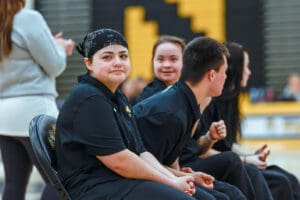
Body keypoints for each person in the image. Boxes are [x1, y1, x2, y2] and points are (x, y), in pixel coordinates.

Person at [54, 28, 225, 200]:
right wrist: (172, 183)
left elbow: (140, 152)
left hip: (117, 181)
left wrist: (175, 177)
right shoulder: (89, 98)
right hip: (93, 188)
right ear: (89, 63)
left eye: (123, 56)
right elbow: (120, 162)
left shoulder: (117, 96)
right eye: (107, 57)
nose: (117, 62)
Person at [136, 35, 272, 200]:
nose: (226, 77)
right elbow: (144, 165)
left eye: (173, 59)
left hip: (169, 172)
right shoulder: (168, 113)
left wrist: (183, 173)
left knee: (233, 192)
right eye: (224, 72)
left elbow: (170, 158)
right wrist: (180, 177)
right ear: (212, 75)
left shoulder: (187, 102)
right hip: (144, 181)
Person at [199, 41, 300, 200]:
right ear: (234, 69)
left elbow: (226, 146)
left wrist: (251, 155)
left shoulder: (230, 102)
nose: (249, 72)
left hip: (230, 163)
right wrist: (247, 159)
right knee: (280, 182)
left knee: (290, 179)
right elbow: (201, 151)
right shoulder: (211, 102)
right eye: (245, 66)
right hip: (220, 167)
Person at [0, 1, 74, 199]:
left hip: (4, 116)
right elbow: (55, 65)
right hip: (34, 112)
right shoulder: (28, 18)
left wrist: (50, 43)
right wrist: (59, 48)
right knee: (59, 180)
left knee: (13, 182)